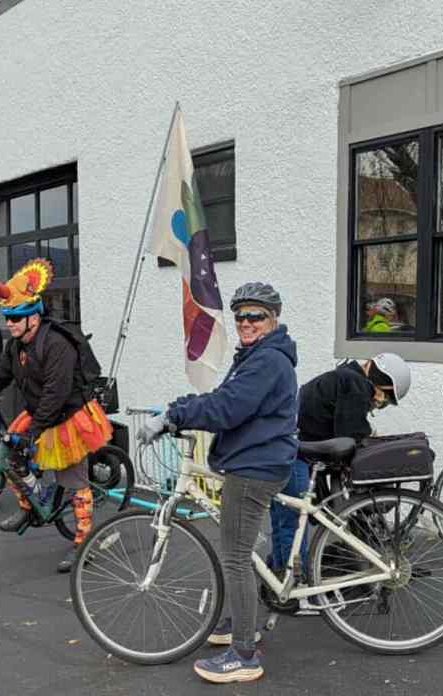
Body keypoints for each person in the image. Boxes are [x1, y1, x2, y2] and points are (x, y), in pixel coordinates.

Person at [137, 281, 297, 684]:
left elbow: (227, 407)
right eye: (240, 316)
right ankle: (243, 623)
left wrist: (174, 415)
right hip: (256, 460)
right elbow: (226, 398)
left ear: (273, 319)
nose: (246, 322)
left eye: (256, 316)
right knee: (242, 551)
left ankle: (244, 654)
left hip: (255, 467)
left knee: (235, 557)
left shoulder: (267, 360)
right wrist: (181, 410)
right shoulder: (257, 355)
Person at [0, 258, 112, 573]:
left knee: (73, 481)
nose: (9, 324)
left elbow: (55, 394)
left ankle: (84, 542)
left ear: (33, 318)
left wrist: (32, 432)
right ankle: (29, 505)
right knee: (10, 457)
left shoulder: (57, 344)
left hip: (68, 416)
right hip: (38, 412)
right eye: (7, 318)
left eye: (15, 318)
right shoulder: (16, 345)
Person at [267, 352, 412, 612]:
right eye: (384, 396)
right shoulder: (355, 384)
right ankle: (297, 593)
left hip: (282, 449)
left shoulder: (343, 377)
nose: (380, 402)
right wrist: (369, 438)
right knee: (293, 523)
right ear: (380, 378)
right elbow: (350, 433)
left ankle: (278, 579)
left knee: (282, 520)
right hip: (296, 456)